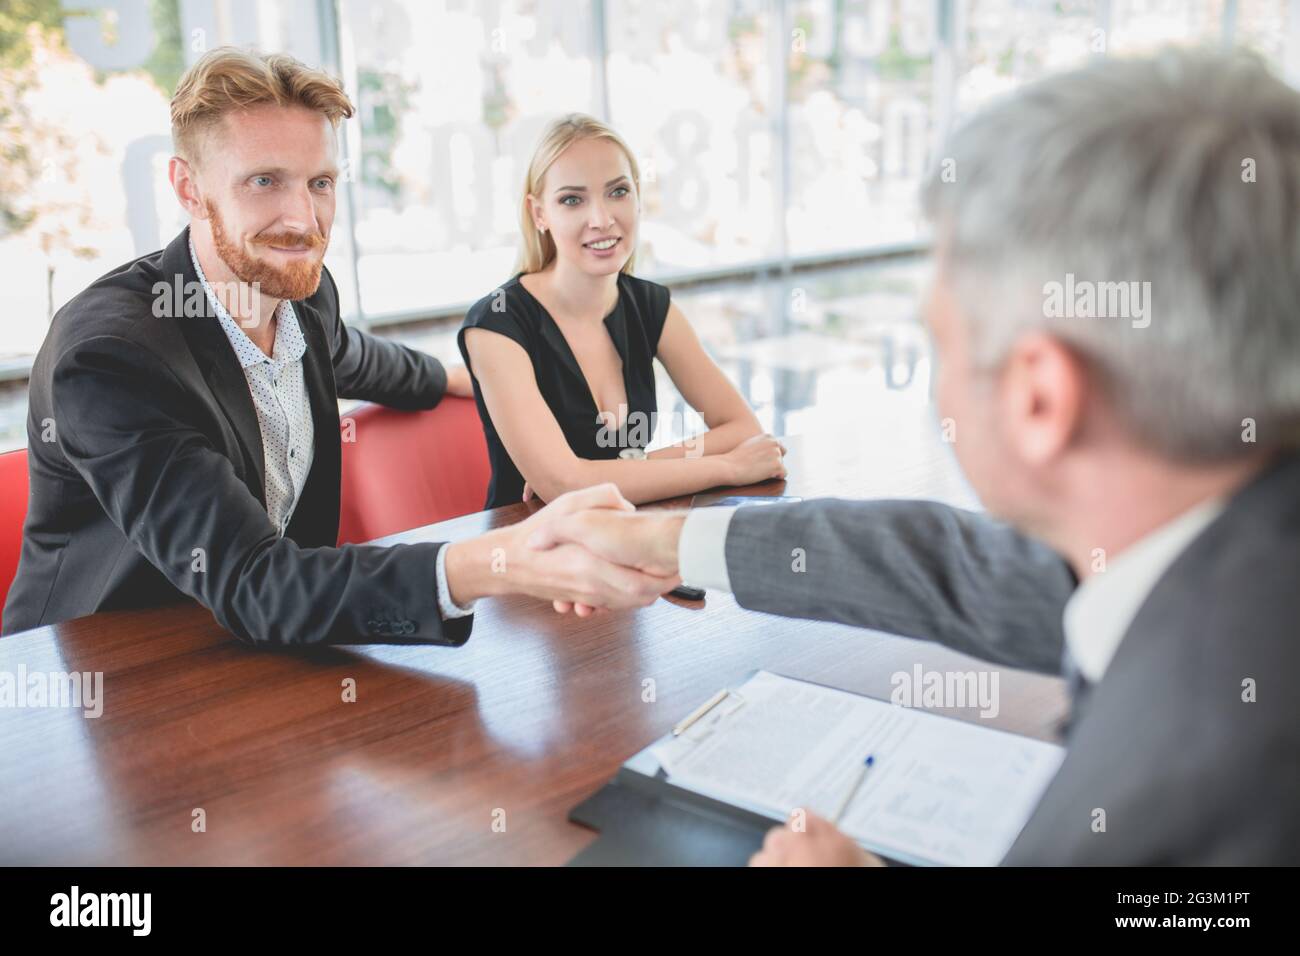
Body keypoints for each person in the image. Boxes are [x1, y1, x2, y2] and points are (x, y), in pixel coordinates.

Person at [527, 50, 1300, 865]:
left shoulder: (1194, 787)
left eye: (941, 339)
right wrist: (666, 544)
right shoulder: (1216, 549)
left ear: (1041, 399)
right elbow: (963, 567)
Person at [3, 48, 678, 645]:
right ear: (190, 188)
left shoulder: (303, 293)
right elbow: (250, 578)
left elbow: (360, 359)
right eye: (264, 181)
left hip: (262, 647)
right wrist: (503, 561)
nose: (302, 219)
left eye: (320, 183)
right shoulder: (112, 355)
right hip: (105, 685)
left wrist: (477, 376)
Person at [458, 113, 787, 509]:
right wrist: (728, 468)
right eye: (572, 200)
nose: (601, 219)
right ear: (539, 214)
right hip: (529, 546)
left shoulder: (651, 306)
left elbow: (742, 429)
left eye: (617, 192)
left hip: (628, 537)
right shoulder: (496, 324)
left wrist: (633, 467)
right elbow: (565, 487)